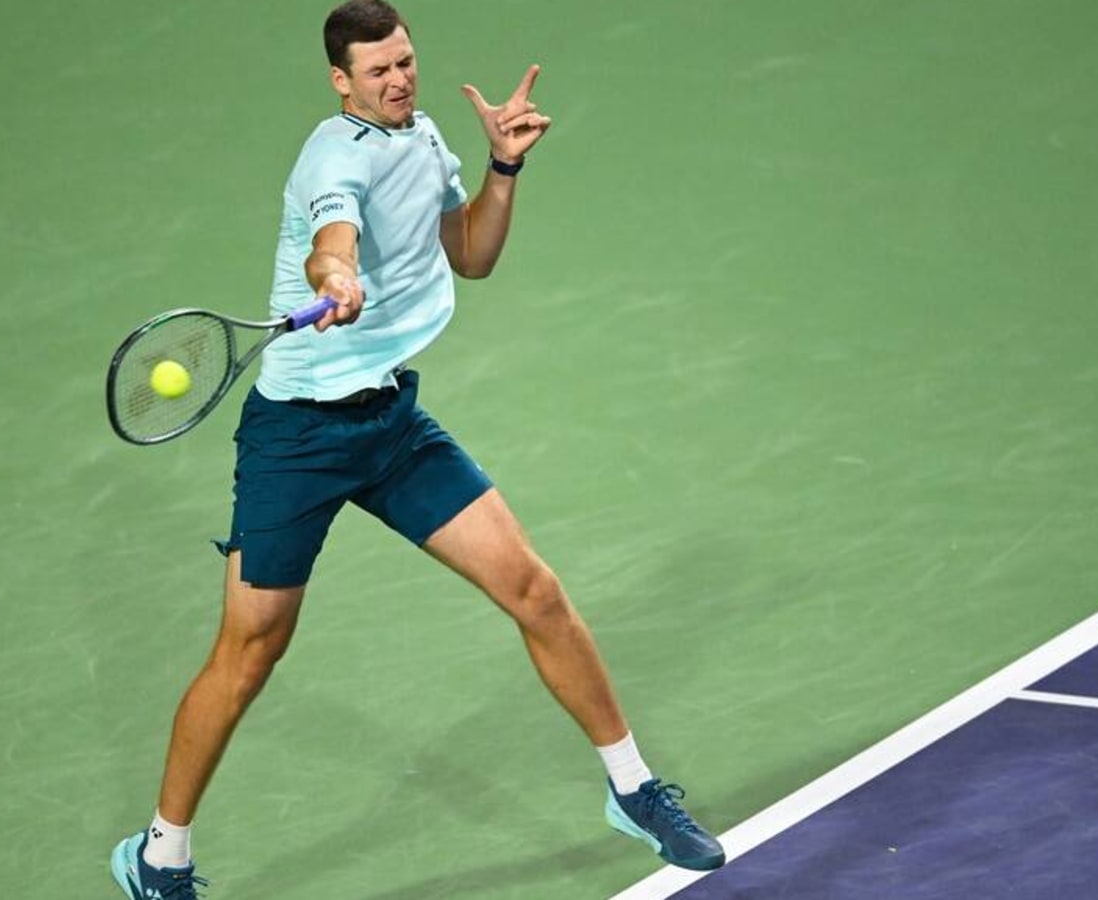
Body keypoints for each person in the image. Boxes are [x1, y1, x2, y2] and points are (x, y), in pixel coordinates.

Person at [110, 2, 724, 897]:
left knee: (535, 592)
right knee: (250, 651)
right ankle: (161, 856)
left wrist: (503, 166)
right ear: (340, 82)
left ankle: (633, 788)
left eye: (405, 62)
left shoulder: (426, 137)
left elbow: (470, 253)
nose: (399, 80)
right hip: (300, 438)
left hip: (391, 422)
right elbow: (333, 239)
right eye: (379, 71)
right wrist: (339, 275)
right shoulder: (330, 157)